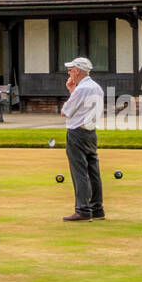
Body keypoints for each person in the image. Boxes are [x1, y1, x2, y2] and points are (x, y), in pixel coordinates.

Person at [60, 56, 105, 222]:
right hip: (91, 133)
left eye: (71, 69)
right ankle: (97, 209)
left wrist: (71, 90)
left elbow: (66, 111)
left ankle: (83, 210)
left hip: (77, 133)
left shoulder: (81, 89)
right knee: (93, 171)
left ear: (78, 71)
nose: (69, 72)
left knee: (79, 171)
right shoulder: (97, 87)